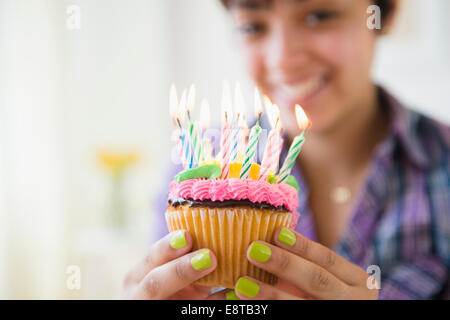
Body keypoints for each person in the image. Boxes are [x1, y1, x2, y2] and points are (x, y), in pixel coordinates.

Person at [123, 0, 450, 300]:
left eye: (319, 16)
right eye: (254, 26)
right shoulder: (198, 170)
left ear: (384, 14)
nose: (283, 59)